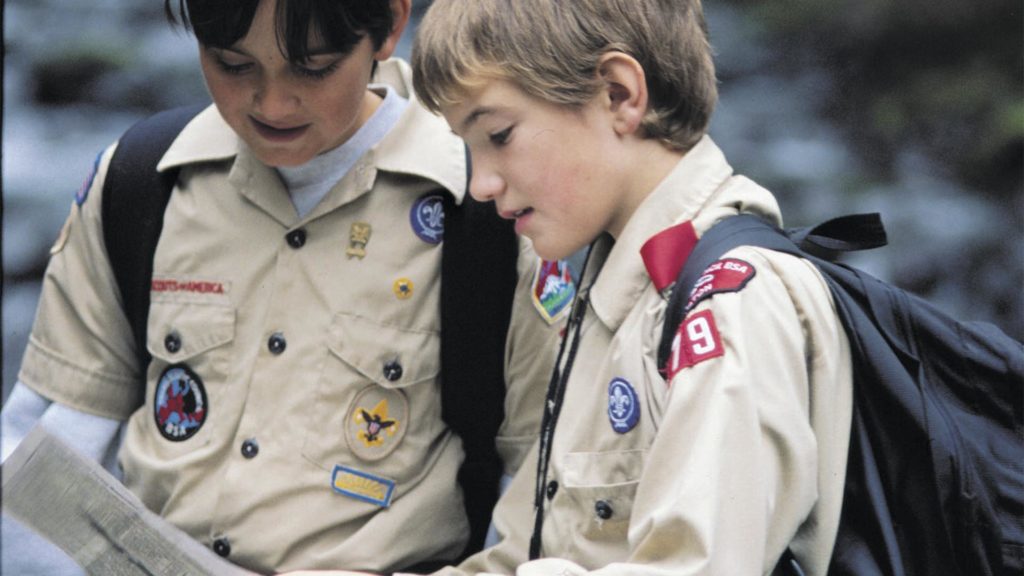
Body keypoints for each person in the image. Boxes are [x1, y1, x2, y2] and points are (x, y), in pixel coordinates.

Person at [0, 0, 567, 573]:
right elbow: (44, 455)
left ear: (391, 25)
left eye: (313, 67)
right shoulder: (140, 183)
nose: (272, 103)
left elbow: (539, 491)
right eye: (232, 65)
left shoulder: (488, 206)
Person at [361, 0, 849, 573]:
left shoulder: (729, 306)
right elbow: (524, 551)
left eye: (498, 134)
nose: (483, 183)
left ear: (619, 94)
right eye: (469, 149)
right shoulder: (608, 290)